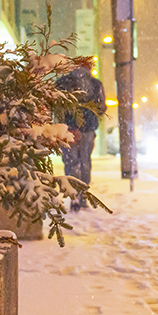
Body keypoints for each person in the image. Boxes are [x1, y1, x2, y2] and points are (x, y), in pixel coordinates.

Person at [56, 66, 106, 208]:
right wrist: (88, 121)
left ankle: (74, 196)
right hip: (87, 129)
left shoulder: (62, 83)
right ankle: (82, 195)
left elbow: (56, 106)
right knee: (84, 162)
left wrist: (69, 125)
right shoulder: (96, 85)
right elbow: (101, 107)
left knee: (70, 162)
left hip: (67, 130)